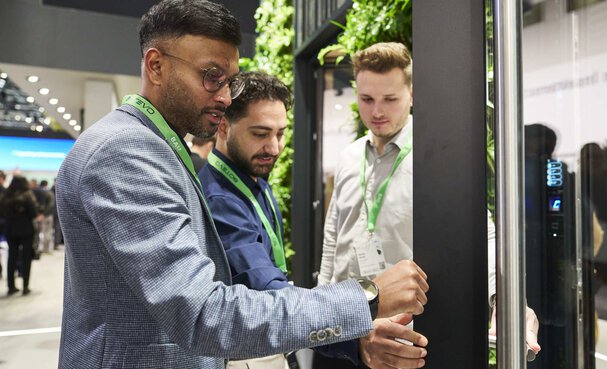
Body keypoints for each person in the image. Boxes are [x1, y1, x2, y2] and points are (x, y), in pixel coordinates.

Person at [55, 2, 429, 368]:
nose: (224, 96)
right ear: (156, 66)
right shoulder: (126, 152)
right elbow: (204, 313)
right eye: (211, 76)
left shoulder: (160, 148)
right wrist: (368, 296)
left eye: (229, 81)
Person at [317, 42, 540, 368]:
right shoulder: (349, 157)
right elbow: (333, 241)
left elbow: (482, 234)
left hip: (402, 340)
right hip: (344, 335)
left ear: (411, 94)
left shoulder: (436, 157)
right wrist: (319, 318)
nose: (377, 112)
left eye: (390, 99)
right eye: (367, 99)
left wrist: (503, 303)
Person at [199, 71, 427, 369]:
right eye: (260, 134)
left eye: (280, 133)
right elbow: (266, 290)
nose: (274, 148)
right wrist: (362, 310)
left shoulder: (252, 178)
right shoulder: (220, 200)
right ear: (224, 126)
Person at [0, 175, 38, 295]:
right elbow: (34, 212)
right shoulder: (28, 195)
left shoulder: (5, 195)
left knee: (12, 257)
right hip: (26, 230)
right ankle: (25, 286)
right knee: (26, 258)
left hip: (10, 229)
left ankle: (11, 286)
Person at [36, 180, 55, 254]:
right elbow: (51, 205)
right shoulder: (49, 193)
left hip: (39, 216)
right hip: (48, 215)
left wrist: (41, 214)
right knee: (47, 233)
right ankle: (45, 249)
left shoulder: (38, 192)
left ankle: (41, 248)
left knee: (40, 233)